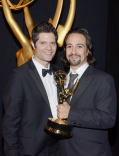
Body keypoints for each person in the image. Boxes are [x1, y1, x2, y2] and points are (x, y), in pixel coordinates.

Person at [3, 21, 61, 156]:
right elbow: (10, 123)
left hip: (58, 148)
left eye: (52, 43)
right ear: (33, 44)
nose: (49, 48)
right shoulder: (18, 76)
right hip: (30, 151)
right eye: (43, 43)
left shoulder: (60, 73)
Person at [57, 28, 117, 156]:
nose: (73, 51)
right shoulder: (59, 79)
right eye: (69, 46)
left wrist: (71, 113)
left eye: (79, 46)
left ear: (88, 50)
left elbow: (108, 119)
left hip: (91, 152)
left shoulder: (103, 80)